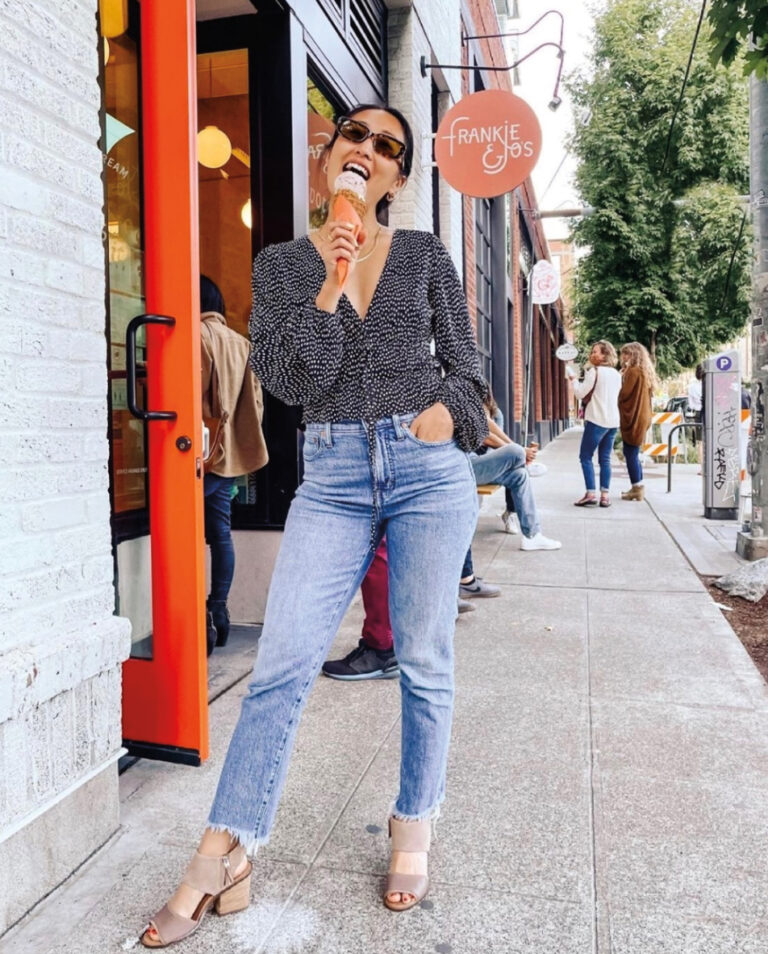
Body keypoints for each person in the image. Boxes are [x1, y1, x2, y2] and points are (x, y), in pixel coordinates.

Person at [140, 104, 487, 947]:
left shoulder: (426, 256)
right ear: (329, 157)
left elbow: (471, 374)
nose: (366, 151)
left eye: (387, 148)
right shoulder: (286, 264)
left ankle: (414, 824)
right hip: (330, 477)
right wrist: (332, 277)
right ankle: (224, 853)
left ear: (399, 178)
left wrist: (445, 414)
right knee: (282, 667)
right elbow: (295, 379)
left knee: (425, 661)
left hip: (423, 467)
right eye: (354, 138)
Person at [200, 276, 268, 654]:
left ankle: (198, 619)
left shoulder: (195, 336)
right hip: (228, 460)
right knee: (220, 534)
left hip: (200, 458)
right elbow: (255, 406)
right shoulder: (242, 344)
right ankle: (219, 608)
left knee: (191, 538)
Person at [567, 340, 621, 507]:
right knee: (605, 458)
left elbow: (580, 394)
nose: (592, 354)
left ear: (605, 355)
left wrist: (573, 379)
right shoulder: (617, 375)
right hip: (613, 422)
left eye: (596, 351)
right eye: (592, 351)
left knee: (585, 457)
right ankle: (605, 496)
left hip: (597, 419)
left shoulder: (594, 372)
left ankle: (591, 493)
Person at [617, 342, 654, 502]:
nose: (623, 357)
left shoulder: (633, 371)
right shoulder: (645, 372)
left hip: (634, 417)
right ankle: (637, 486)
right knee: (633, 452)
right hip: (643, 416)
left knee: (630, 453)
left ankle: (637, 487)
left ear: (634, 355)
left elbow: (624, 394)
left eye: (627, 354)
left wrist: (620, 378)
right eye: (623, 354)